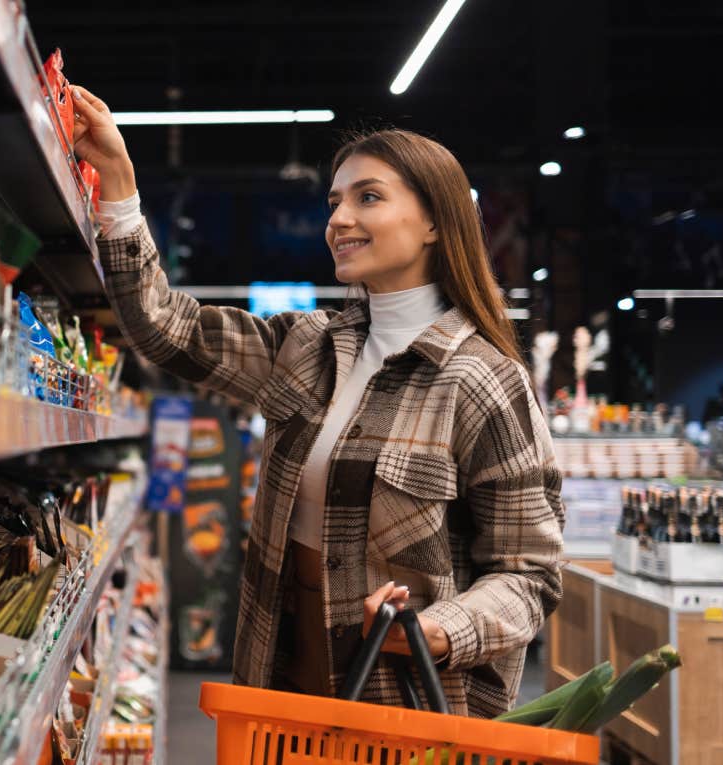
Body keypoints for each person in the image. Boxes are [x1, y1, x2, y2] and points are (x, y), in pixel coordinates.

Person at [71, 85, 564, 718]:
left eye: (369, 198)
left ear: (437, 222)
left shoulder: (481, 382)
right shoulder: (306, 346)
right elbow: (166, 327)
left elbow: (529, 573)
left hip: (399, 696)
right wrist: (117, 181)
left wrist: (445, 627)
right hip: (280, 678)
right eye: (335, 202)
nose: (339, 219)